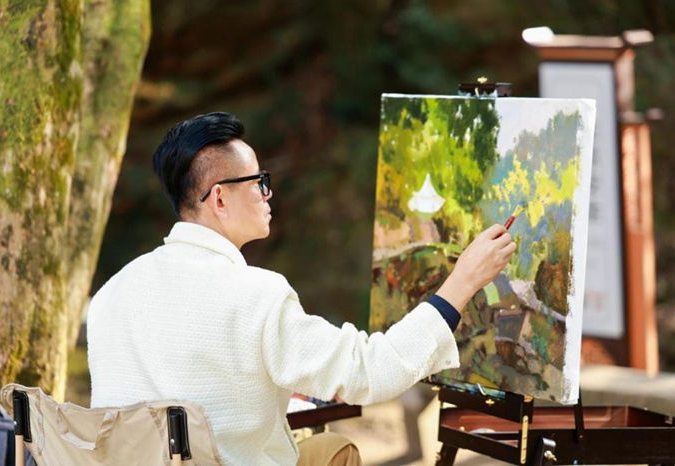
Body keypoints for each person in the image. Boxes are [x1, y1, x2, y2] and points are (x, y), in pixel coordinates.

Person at [87, 112, 517, 466]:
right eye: (259, 182)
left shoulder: (111, 293)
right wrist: (462, 281)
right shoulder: (256, 295)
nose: (268, 193)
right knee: (333, 449)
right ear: (219, 199)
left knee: (327, 448)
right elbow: (370, 372)